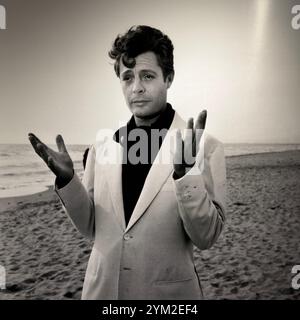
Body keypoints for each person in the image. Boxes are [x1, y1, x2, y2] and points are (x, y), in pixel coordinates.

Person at [28, 25, 226, 300]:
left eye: (147, 76)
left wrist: (185, 174)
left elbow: (206, 237)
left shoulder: (205, 146)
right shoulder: (103, 147)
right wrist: (68, 181)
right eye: (127, 77)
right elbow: (90, 227)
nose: (137, 88)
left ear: (168, 78)